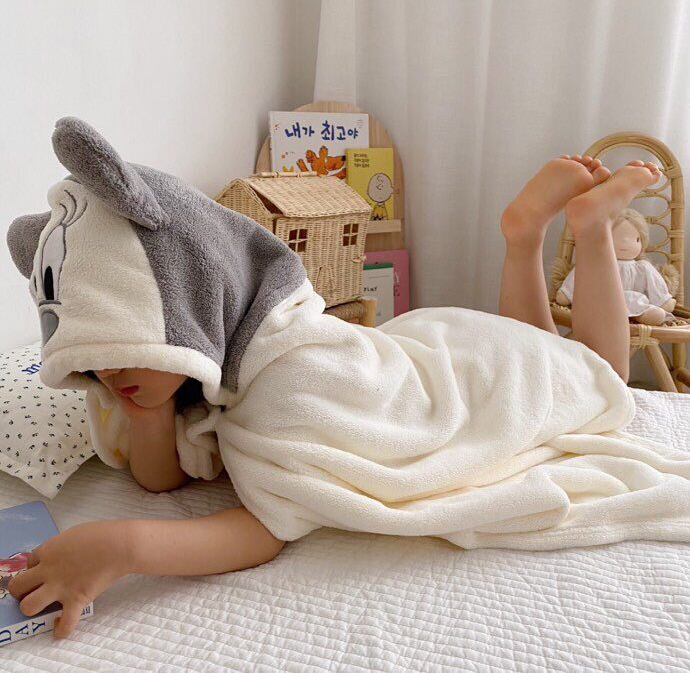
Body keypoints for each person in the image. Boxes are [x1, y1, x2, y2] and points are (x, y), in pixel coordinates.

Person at [5, 118, 670, 640]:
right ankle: (522, 238)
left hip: (460, 376)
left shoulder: (286, 382)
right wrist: (143, 401)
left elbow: (265, 527)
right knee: (544, 346)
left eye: (126, 347)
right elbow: (161, 479)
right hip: (436, 342)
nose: (109, 374)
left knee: (604, 376)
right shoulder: (209, 354)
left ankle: (592, 232)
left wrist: (123, 546)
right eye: (94, 361)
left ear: (191, 303)